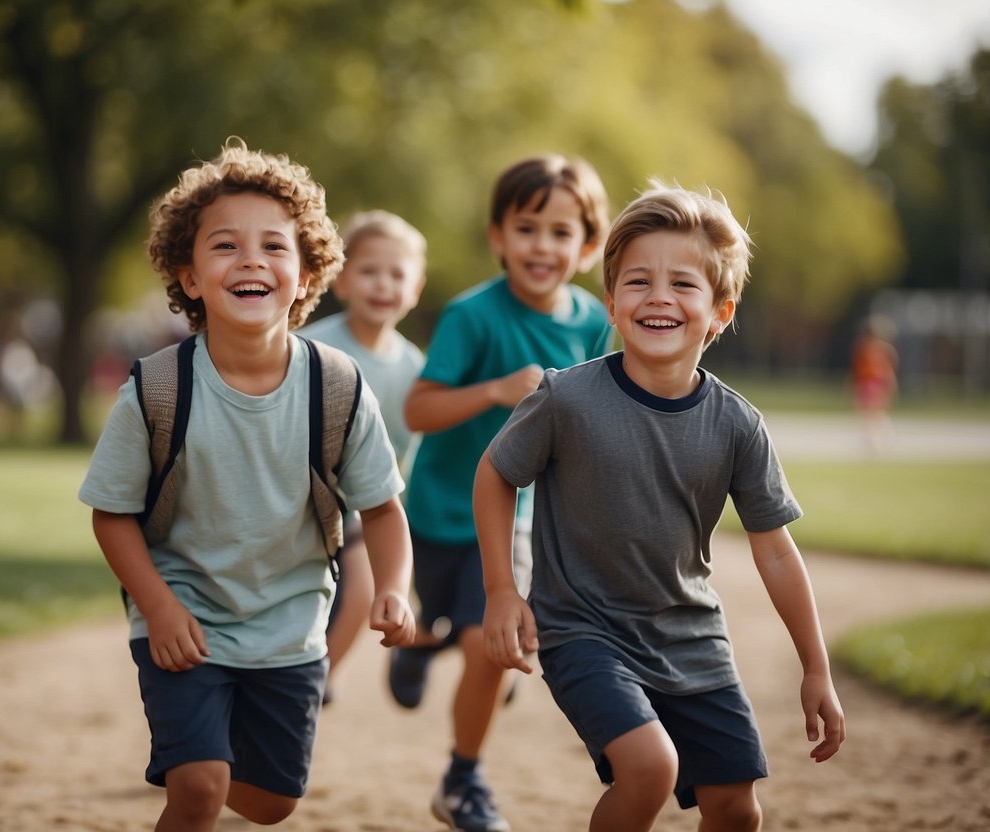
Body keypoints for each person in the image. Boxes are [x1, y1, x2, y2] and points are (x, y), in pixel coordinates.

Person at [473, 183, 845, 832]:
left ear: (720, 312)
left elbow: (775, 550)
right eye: (638, 282)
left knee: (735, 810)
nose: (659, 298)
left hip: (692, 640)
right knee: (648, 767)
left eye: (682, 284)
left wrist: (816, 669)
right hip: (583, 631)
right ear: (612, 305)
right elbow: (495, 474)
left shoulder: (737, 425)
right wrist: (502, 590)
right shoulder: (567, 399)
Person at [79, 139, 416, 832]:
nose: (252, 260)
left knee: (270, 804)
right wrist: (159, 607)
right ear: (190, 276)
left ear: (307, 273)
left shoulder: (337, 386)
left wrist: (390, 586)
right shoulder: (158, 389)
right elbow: (111, 515)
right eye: (225, 246)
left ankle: (206, 758)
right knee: (199, 789)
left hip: (290, 629)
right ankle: (191, 758)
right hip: (184, 619)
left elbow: (381, 508)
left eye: (274, 247)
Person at [393, 153, 614, 832]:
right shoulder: (471, 316)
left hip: (520, 519)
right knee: (459, 631)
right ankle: (421, 644)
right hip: (435, 513)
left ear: (587, 246)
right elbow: (418, 412)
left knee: (488, 643)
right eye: (525, 228)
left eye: (559, 232)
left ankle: (462, 778)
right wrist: (491, 391)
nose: (541, 246)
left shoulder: (595, 325)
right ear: (496, 237)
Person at [299, 209, 428, 701]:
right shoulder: (311, 346)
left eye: (397, 274)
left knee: (363, 590)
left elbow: (405, 454)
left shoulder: (416, 367)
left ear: (415, 288)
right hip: (301, 497)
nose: (383, 284)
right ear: (343, 279)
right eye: (369, 270)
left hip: (360, 506)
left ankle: (321, 679)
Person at [850, 313, 898, 454]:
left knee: (876, 414)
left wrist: (889, 387)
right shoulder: (862, 350)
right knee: (867, 416)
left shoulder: (883, 350)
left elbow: (888, 372)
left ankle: (883, 438)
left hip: (876, 384)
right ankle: (872, 442)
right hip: (866, 385)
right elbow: (856, 372)